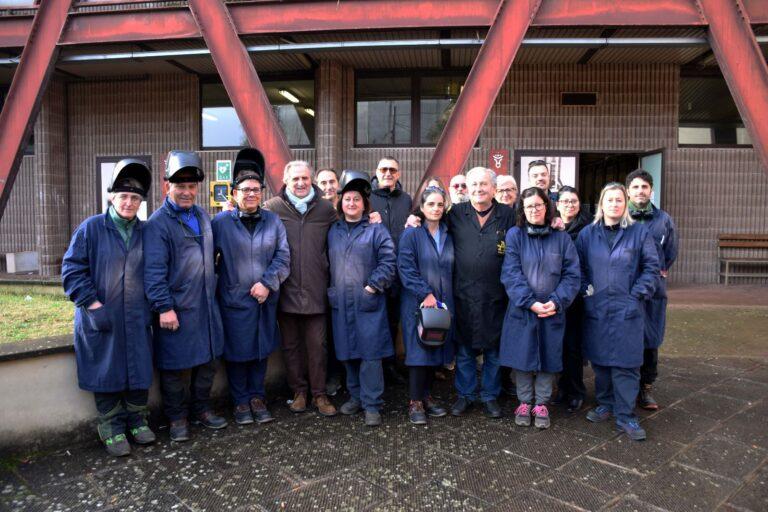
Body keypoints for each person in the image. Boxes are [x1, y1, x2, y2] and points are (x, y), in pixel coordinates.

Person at [62, 159, 155, 457]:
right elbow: (72, 270)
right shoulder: (91, 229)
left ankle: (137, 420)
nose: (129, 202)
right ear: (111, 197)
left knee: (138, 369)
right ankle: (111, 426)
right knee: (106, 370)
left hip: (137, 316)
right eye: (123, 196)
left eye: (135, 198)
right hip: (101, 315)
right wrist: (93, 303)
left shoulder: (147, 231)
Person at [143, 151, 227, 442]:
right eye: (181, 186)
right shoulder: (157, 224)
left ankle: (201, 410)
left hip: (205, 305)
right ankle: (177, 418)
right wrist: (164, 307)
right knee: (175, 368)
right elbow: (153, 272)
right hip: (177, 308)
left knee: (208, 362)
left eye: (192, 186)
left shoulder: (203, 215)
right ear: (168, 187)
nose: (187, 192)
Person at [576, 182, 660, 441]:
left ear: (626, 205)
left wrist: (637, 294)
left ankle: (625, 415)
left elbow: (651, 267)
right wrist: (585, 290)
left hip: (628, 307)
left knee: (626, 363)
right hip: (598, 306)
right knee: (601, 362)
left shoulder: (639, 233)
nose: (614, 204)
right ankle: (605, 403)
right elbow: (577, 268)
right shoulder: (587, 235)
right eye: (609, 200)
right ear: (601, 204)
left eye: (619, 200)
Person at [212, 148, 290, 425]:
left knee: (260, 351)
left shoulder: (273, 221)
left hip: (264, 300)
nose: (251, 194)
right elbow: (208, 259)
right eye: (245, 190)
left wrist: (268, 283)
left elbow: (283, 257)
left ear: (262, 193)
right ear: (234, 193)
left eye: (256, 190)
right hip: (234, 299)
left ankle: (258, 397)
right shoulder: (220, 223)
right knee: (236, 353)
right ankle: (241, 401)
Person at [500, 187, 580, 429]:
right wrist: (530, 302)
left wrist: (556, 301)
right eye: (529, 206)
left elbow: (572, 275)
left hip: (552, 309)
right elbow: (510, 273)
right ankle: (524, 402)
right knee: (522, 357)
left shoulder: (562, 238)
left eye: (538, 205)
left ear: (547, 206)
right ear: (523, 211)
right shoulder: (515, 235)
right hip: (523, 309)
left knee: (549, 357)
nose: (534, 210)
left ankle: (542, 403)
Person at [263, 160, 338, 417]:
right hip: (286, 289)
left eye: (305, 178)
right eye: (295, 179)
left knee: (318, 345)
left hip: (317, 289)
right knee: (291, 346)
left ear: (312, 180)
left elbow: (344, 234)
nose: (301, 183)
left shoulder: (326, 209)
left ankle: (320, 394)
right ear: (286, 180)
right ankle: (299, 392)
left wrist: (371, 216)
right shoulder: (272, 208)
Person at [327, 171, 397, 427]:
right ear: (341, 203)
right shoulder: (333, 230)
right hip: (341, 302)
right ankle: (355, 396)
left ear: (365, 204)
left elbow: (389, 262)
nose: (352, 204)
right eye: (347, 199)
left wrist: (372, 287)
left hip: (368, 302)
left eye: (356, 199)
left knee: (370, 355)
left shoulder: (376, 231)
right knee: (346, 353)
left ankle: (372, 404)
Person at [398, 186, 455, 425]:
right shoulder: (412, 234)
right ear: (421, 208)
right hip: (418, 302)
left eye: (440, 204)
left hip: (442, 303)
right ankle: (415, 402)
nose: (435, 209)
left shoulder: (448, 233)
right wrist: (426, 293)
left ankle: (427, 396)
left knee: (435, 348)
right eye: (430, 204)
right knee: (418, 351)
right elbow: (406, 267)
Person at [626, 169, 678, 410]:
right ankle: (625, 385)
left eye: (644, 187)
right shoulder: (620, 215)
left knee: (650, 338)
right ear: (628, 191)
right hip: (625, 287)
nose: (640, 191)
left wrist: (659, 270)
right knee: (626, 335)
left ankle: (646, 387)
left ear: (651, 191)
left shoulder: (663, 219)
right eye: (635, 187)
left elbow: (670, 251)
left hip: (654, 290)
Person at [370, 156, 413, 385]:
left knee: (394, 321)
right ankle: (377, 368)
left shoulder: (406, 200)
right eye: (383, 169)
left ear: (399, 173)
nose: (388, 173)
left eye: (392, 170)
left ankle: (391, 365)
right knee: (377, 322)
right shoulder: (367, 198)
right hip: (375, 272)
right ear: (376, 172)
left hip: (400, 273)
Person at [553, 186, 592, 413]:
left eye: (574, 201)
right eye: (565, 201)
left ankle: (576, 391)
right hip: (555, 296)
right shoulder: (552, 227)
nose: (569, 205)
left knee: (573, 347)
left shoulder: (587, 230)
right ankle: (562, 389)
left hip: (576, 298)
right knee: (557, 346)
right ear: (557, 205)